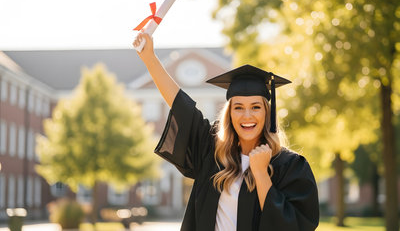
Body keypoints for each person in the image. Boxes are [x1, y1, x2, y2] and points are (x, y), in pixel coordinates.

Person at [134, 33, 319, 231]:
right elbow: (181, 106)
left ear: (267, 113)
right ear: (229, 113)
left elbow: (294, 226)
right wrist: (150, 58)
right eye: (238, 107)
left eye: (256, 107)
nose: (247, 115)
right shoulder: (212, 153)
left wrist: (260, 173)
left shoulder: (289, 166)